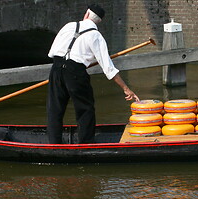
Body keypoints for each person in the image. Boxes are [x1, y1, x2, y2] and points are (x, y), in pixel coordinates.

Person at [47, 4, 139, 144]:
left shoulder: (68, 26)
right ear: (99, 21)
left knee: (55, 108)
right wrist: (126, 88)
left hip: (56, 68)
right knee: (85, 109)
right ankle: (85, 143)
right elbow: (108, 68)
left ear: (86, 14)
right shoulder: (96, 36)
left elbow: (52, 51)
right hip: (75, 72)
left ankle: (53, 144)